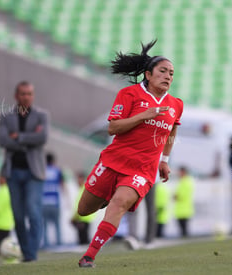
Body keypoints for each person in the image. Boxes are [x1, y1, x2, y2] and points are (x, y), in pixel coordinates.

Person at [76, 40, 183, 268]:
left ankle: (89, 256)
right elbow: (113, 128)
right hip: (113, 161)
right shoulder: (129, 94)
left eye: (171, 73)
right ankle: (107, 197)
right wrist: (143, 115)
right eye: (163, 71)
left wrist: (164, 160)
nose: (168, 77)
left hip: (142, 170)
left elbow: (173, 129)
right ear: (148, 74)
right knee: (84, 210)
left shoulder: (176, 104)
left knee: (120, 204)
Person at [0, 81, 49, 262]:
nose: (26, 97)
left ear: (33, 96)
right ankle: (26, 252)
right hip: (13, 172)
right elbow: (2, 140)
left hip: (34, 173)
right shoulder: (6, 116)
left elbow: (42, 137)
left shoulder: (42, 115)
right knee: (18, 216)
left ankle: (31, 254)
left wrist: (18, 136)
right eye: (22, 93)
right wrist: (29, 139)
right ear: (16, 96)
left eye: (29, 93)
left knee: (33, 212)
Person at [42, 153, 65, 247]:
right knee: (57, 224)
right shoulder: (57, 170)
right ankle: (59, 243)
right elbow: (62, 184)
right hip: (54, 201)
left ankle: (46, 244)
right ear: (53, 161)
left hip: (44, 201)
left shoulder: (42, 171)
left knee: (45, 225)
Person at [71, 172, 96, 245]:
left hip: (83, 218)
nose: (77, 181)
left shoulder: (83, 189)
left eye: (79, 179)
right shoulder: (84, 189)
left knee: (83, 240)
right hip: (85, 217)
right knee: (84, 239)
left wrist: (75, 218)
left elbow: (80, 206)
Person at [174, 166, 195, 237]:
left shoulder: (185, 182)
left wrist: (175, 196)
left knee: (184, 231)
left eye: (180, 172)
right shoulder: (184, 181)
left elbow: (180, 195)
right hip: (182, 210)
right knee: (183, 230)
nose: (178, 173)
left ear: (183, 172)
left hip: (184, 210)